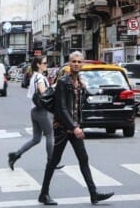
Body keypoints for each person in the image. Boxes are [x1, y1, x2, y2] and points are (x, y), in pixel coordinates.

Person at [37, 52, 114, 206]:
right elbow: (61, 109)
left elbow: (76, 105)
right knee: (54, 161)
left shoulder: (77, 81)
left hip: (74, 127)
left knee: (83, 159)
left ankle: (94, 194)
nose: (77, 64)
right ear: (69, 63)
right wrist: (74, 127)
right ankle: (44, 194)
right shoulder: (63, 81)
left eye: (79, 61)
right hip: (62, 128)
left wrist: (82, 90)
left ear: (82, 64)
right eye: (74, 61)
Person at [9, 58, 60, 171]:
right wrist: (54, 87)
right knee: (50, 135)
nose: (47, 65)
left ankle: (15, 155)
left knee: (36, 139)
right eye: (45, 63)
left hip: (34, 111)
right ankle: (51, 161)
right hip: (42, 111)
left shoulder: (34, 77)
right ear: (38, 65)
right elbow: (44, 93)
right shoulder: (40, 78)